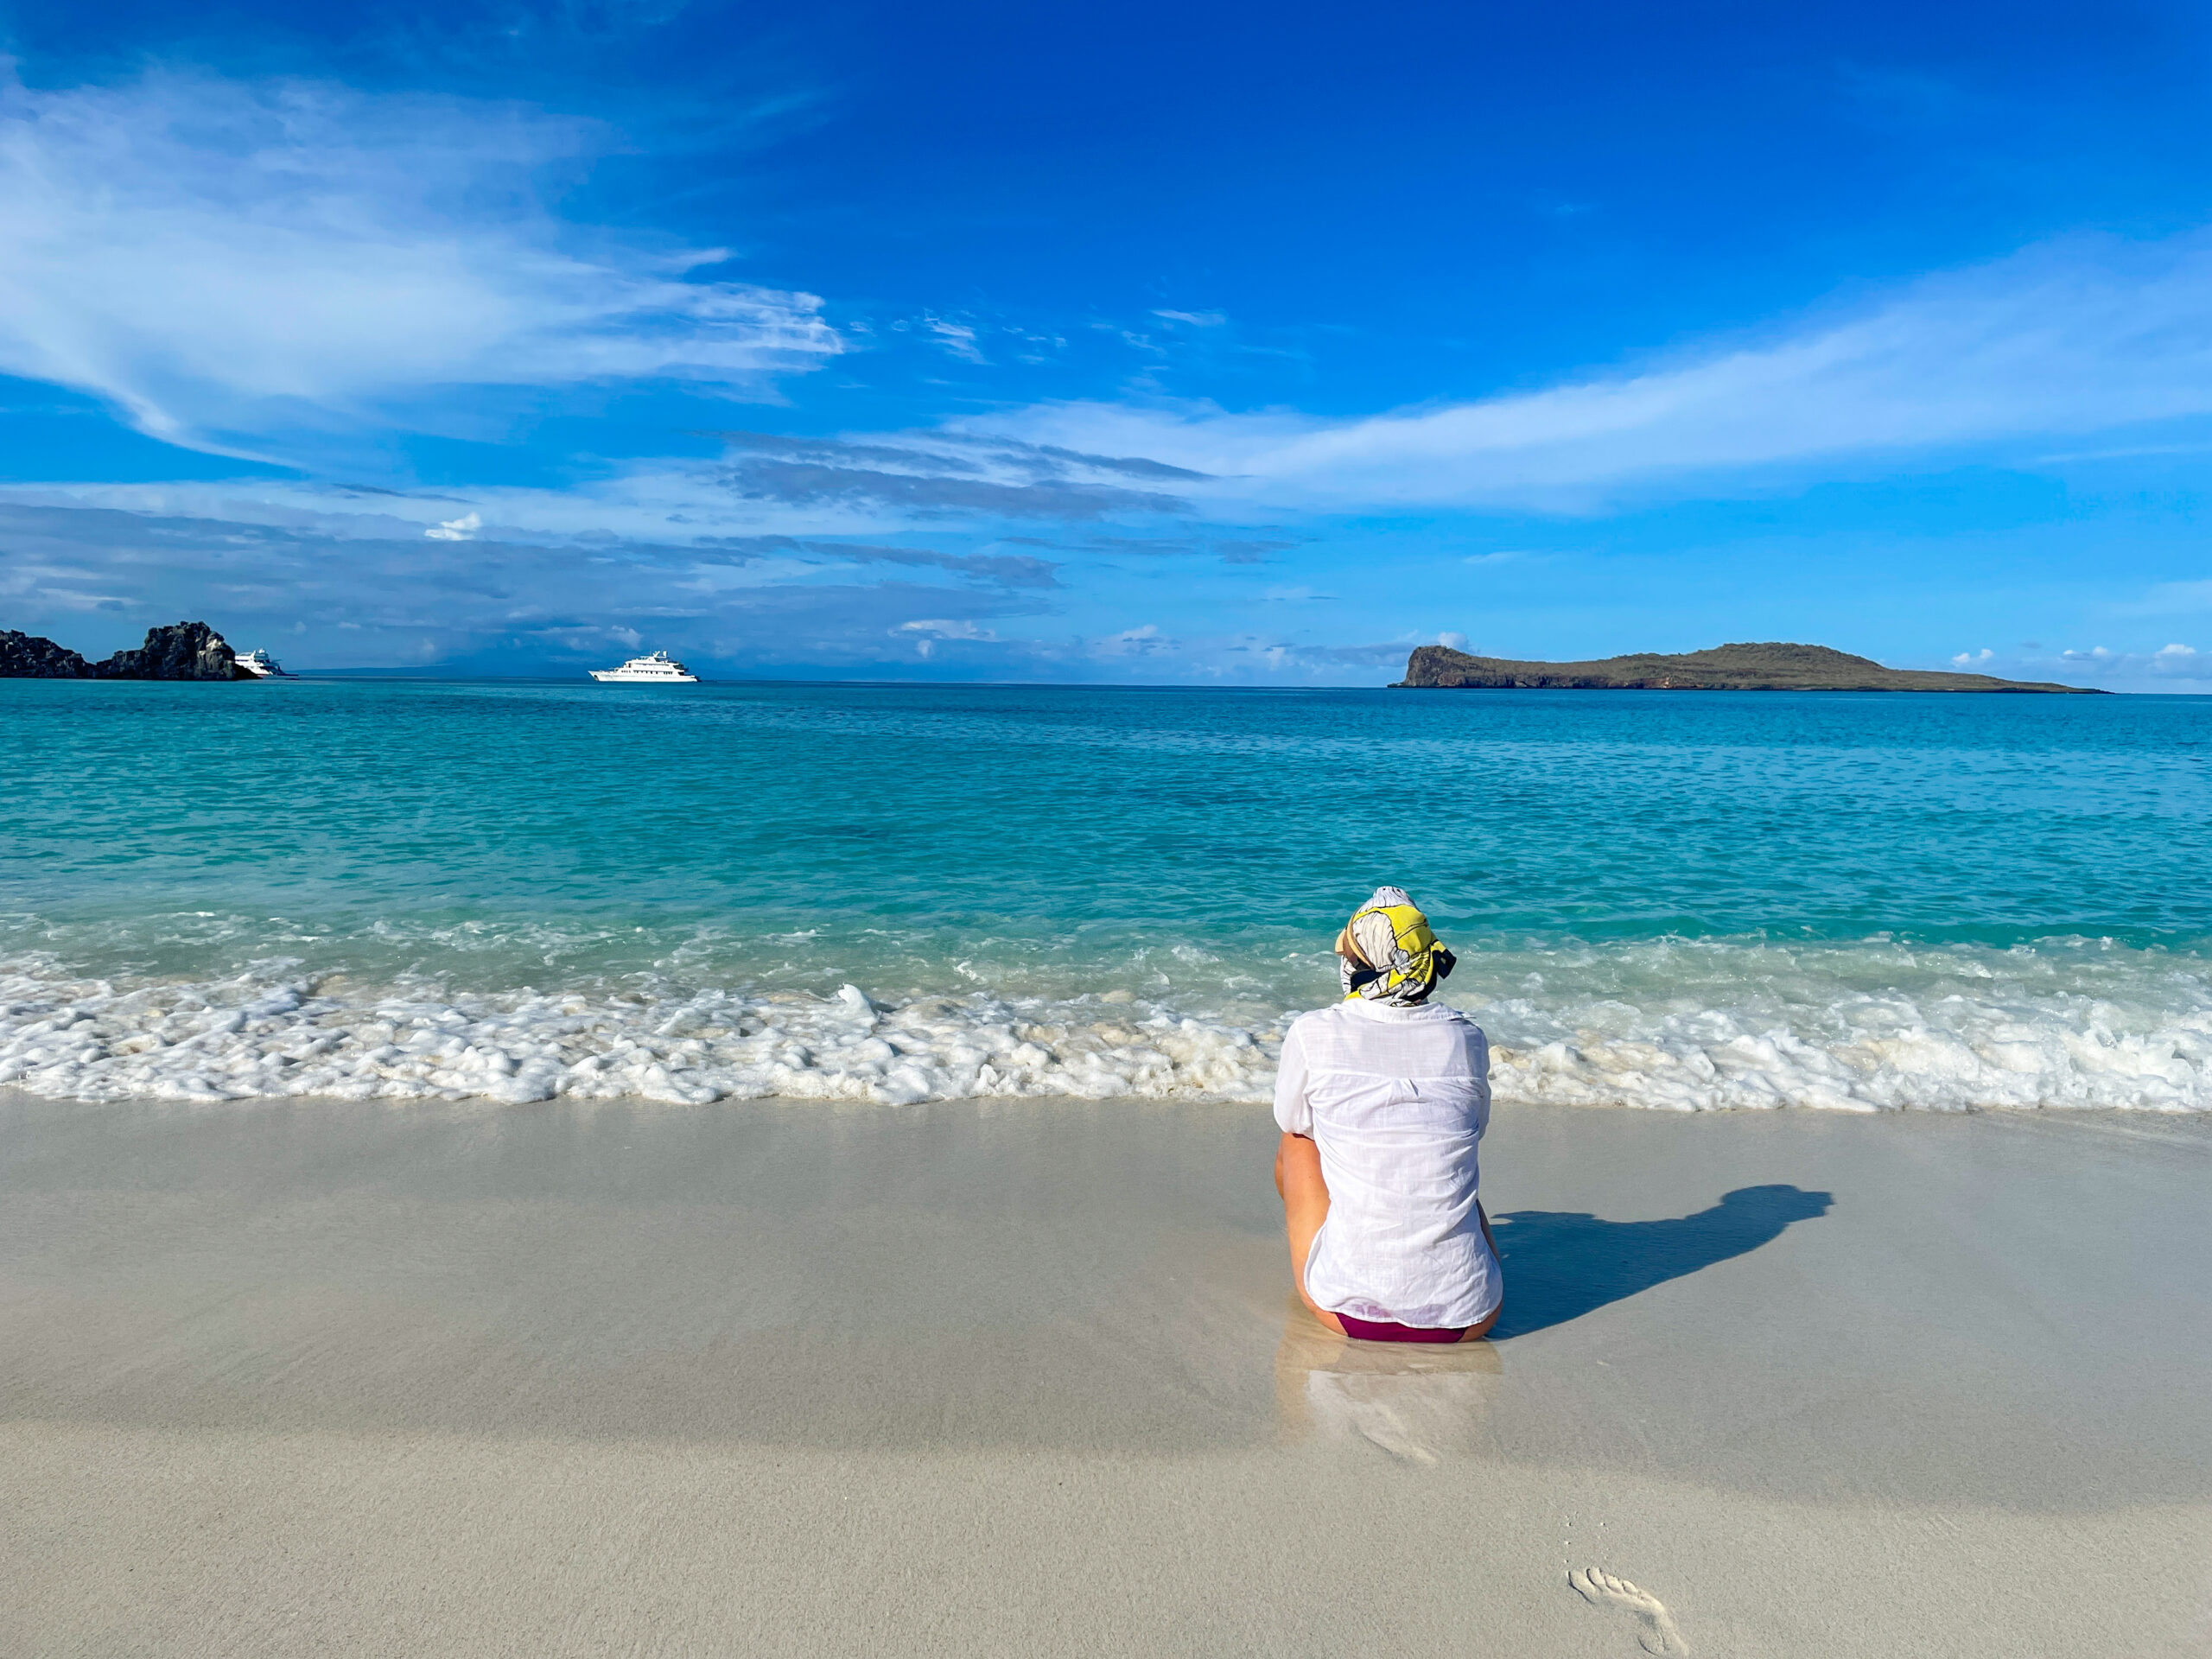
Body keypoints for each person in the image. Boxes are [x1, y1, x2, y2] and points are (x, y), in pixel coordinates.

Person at [1273, 887, 1502, 1343]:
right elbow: (1476, 1130)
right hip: (1473, 1317)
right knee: (1446, 1168)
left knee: (1297, 1143)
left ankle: (1342, 1257)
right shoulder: (1467, 1038)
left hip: (1348, 1312)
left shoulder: (1313, 1032)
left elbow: (1293, 1119)